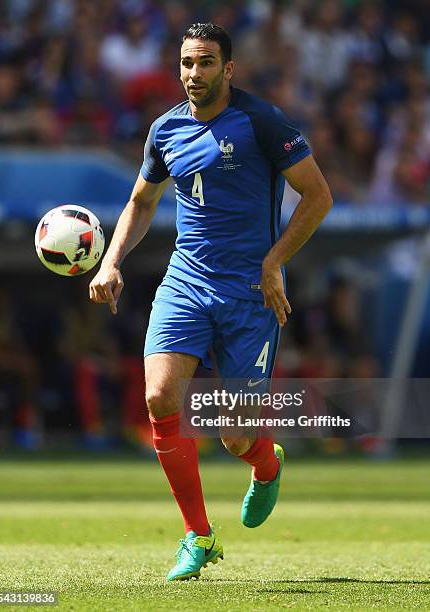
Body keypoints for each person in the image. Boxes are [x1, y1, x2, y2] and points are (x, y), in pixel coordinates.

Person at [89, 22, 332, 581]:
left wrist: (273, 263)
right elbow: (141, 202)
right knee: (159, 396)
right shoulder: (165, 129)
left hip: (251, 292)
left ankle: (266, 465)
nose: (192, 74)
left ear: (229, 68)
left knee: (235, 434)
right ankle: (198, 536)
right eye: (185, 63)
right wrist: (111, 262)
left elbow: (318, 197)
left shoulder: (262, 121)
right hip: (185, 282)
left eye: (204, 63)